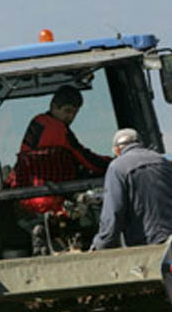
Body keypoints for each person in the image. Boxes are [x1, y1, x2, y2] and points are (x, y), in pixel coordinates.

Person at [92, 128, 172, 312]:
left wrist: (100, 247)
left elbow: (114, 213)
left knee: (157, 284)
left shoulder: (117, 167)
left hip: (154, 235)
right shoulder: (160, 160)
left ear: (117, 150)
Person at [6, 85, 112, 216]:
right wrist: (111, 164)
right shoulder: (58, 129)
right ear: (53, 106)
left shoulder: (38, 121)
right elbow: (85, 158)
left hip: (28, 193)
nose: (71, 117)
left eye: (75, 113)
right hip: (50, 194)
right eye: (67, 111)